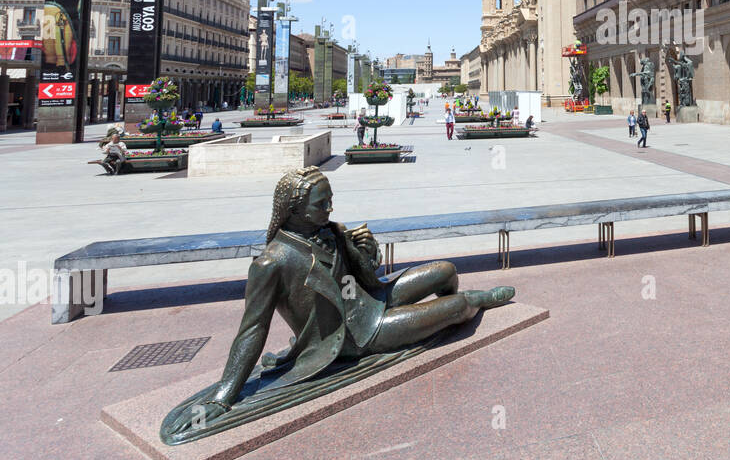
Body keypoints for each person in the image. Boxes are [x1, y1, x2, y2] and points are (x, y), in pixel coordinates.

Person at [160, 167, 515, 442]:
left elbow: (365, 272)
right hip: (356, 335)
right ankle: (470, 303)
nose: (330, 207)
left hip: (370, 298)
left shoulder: (329, 231)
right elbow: (253, 329)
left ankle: (437, 313)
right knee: (455, 308)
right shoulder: (272, 262)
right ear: (295, 209)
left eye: (330, 199)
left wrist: (366, 250)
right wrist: (224, 395)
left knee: (445, 270)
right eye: (321, 203)